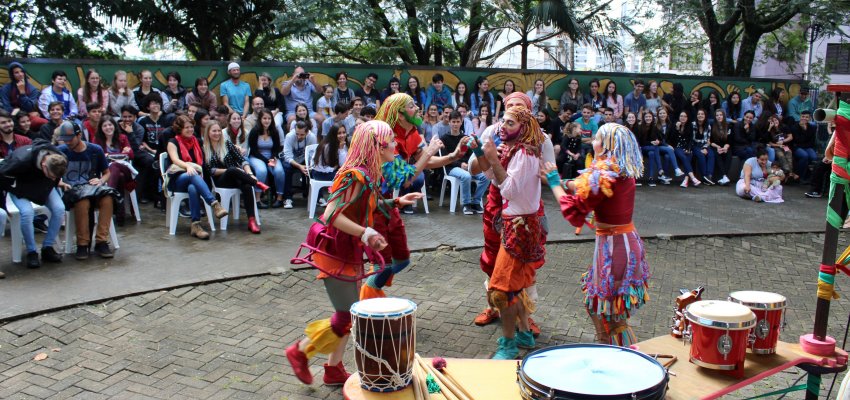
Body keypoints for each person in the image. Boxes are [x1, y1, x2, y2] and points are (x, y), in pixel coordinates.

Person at [284, 120, 423, 386]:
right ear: (377, 146)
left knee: (350, 313)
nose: (395, 144)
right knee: (347, 315)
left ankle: (333, 369)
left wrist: (395, 201)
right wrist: (365, 233)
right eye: (391, 140)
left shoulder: (367, 173)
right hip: (334, 250)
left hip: (348, 249)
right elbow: (331, 213)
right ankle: (299, 351)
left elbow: (365, 204)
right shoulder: (355, 175)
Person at [540, 123, 650, 346]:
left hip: (616, 247)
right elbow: (584, 186)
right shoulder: (616, 170)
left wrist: (553, 182)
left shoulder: (605, 175)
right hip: (617, 243)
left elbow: (573, 210)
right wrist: (564, 182)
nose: (593, 141)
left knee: (613, 316)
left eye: (598, 138)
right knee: (595, 304)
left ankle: (623, 359)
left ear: (608, 145)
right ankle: (606, 347)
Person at [357, 93, 462, 300]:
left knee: (402, 260)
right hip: (370, 206)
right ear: (400, 114)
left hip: (388, 203)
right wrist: (429, 152)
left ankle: (372, 293)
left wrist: (452, 157)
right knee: (383, 263)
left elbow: (421, 162)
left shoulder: (412, 131)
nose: (417, 109)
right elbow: (403, 179)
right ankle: (366, 302)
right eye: (412, 105)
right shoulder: (383, 136)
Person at [469, 91, 553, 340]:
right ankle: (496, 306)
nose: (512, 112)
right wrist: (481, 153)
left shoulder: (538, 140)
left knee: (524, 265)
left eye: (519, 107)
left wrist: (530, 169)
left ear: (526, 117)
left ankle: (524, 316)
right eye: (509, 108)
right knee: (492, 255)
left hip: (524, 209)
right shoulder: (493, 133)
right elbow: (479, 171)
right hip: (499, 203)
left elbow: (546, 174)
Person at [0, 127, 67, 268]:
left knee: (59, 208)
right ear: (43, 165)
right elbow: (2, 176)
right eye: (51, 175)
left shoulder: (60, 157)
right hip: (20, 188)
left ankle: (47, 247)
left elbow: (56, 175)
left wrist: (56, 180)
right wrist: (3, 204)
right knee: (27, 213)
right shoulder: (20, 160)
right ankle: (32, 251)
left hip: (43, 186)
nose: (54, 178)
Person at [55, 122, 119, 259]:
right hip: (72, 191)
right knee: (82, 201)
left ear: (79, 135)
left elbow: (107, 172)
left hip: (92, 188)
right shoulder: (60, 151)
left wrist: (101, 181)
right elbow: (53, 176)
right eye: (65, 139)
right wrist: (61, 183)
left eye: (70, 139)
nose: (67, 143)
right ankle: (82, 243)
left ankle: (101, 241)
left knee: (108, 198)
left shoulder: (95, 150)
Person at [165, 115, 228, 239]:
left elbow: (205, 160)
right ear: (180, 129)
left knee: (193, 188)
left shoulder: (197, 141)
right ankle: (214, 203)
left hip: (194, 180)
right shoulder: (173, 142)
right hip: (177, 179)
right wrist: (188, 167)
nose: (190, 129)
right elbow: (175, 159)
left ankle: (196, 225)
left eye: (191, 127)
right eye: (186, 127)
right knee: (193, 175)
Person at [203, 121, 265, 234]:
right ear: (208, 133)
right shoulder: (204, 148)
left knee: (246, 185)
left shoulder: (226, 143)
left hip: (237, 177)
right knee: (232, 169)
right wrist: (232, 170)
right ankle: (257, 183)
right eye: (214, 131)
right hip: (220, 181)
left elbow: (241, 160)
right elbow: (211, 171)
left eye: (218, 131)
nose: (217, 133)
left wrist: (250, 173)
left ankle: (251, 221)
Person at [441, 111, 489, 215]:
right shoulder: (444, 138)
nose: (455, 124)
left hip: (466, 166)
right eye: (453, 121)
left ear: (461, 122)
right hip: (451, 168)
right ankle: (466, 204)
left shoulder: (466, 138)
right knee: (466, 176)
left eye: (457, 121)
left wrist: (468, 165)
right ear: (449, 122)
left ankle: (476, 202)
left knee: (486, 175)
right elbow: (445, 159)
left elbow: (471, 156)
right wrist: (460, 165)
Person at [91, 118, 136, 225]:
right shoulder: (97, 140)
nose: (108, 128)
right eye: (105, 126)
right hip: (109, 172)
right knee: (118, 175)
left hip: (126, 170)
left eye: (110, 125)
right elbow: (94, 158)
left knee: (115, 165)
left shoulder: (122, 138)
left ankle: (109, 193)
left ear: (115, 126)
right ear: (101, 129)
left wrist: (127, 152)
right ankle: (120, 215)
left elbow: (132, 155)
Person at [247, 109, 287, 208]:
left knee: (279, 171)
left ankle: (279, 198)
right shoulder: (254, 131)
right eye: (264, 118)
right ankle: (257, 200)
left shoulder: (274, 131)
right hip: (256, 156)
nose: (267, 121)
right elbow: (253, 150)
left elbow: (277, 148)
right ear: (260, 119)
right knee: (262, 171)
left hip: (271, 156)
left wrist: (272, 158)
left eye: (269, 118)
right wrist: (266, 161)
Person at [282, 121, 319, 209]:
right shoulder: (289, 136)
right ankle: (287, 198)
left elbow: (313, 155)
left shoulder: (312, 137)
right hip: (292, 161)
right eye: (297, 134)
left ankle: (318, 197)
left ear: (307, 132)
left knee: (314, 169)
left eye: (302, 135)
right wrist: (299, 166)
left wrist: (309, 166)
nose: (299, 136)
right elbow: (287, 156)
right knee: (287, 168)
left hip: (305, 161)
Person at [1, 62, 48, 130]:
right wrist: (17, 113)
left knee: (42, 122)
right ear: (12, 75)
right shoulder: (6, 88)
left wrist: (22, 93)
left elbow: (29, 107)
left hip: (27, 116)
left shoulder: (32, 89)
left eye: (22, 71)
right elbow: (6, 107)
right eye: (16, 72)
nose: (20, 74)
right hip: (10, 117)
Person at [311, 123, 349, 205]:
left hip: (331, 170)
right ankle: (337, 203)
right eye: (339, 133)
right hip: (320, 173)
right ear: (333, 134)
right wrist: (341, 150)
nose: (342, 135)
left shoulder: (343, 143)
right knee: (346, 179)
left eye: (343, 132)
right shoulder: (327, 146)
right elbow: (343, 164)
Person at [671, 111, 702, 187]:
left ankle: (686, 180)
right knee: (684, 157)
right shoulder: (675, 125)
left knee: (689, 155)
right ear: (679, 117)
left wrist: (688, 149)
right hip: (676, 147)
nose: (683, 118)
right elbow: (672, 139)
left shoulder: (690, 126)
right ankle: (693, 177)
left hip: (686, 147)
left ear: (687, 118)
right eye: (681, 116)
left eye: (685, 116)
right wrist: (677, 129)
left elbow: (691, 139)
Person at [791, 110, 818, 182]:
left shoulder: (812, 128)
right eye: (803, 116)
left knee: (814, 157)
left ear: (809, 119)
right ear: (800, 117)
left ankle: (809, 175)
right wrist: (804, 130)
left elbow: (812, 141)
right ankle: (800, 176)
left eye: (807, 117)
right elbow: (798, 140)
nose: (804, 118)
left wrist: (805, 130)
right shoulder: (795, 127)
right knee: (804, 156)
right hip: (797, 147)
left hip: (807, 147)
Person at [710, 109, 733, 185]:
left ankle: (723, 177)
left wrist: (726, 147)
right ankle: (724, 176)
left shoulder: (728, 125)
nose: (719, 117)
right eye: (717, 115)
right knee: (717, 154)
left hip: (725, 146)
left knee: (728, 154)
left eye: (720, 115)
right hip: (715, 146)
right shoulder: (712, 125)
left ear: (723, 116)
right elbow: (710, 141)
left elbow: (730, 140)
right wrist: (717, 147)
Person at [692, 109, 715, 185]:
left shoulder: (708, 126)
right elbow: (693, 139)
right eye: (699, 114)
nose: (700, 115)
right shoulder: (693, 125)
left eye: (702, 114)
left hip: (705, 145)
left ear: (705, 116)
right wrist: (701, 148)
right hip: (695, 145)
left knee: (711, 154)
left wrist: (704, 147)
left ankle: (709, 176)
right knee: (701, 155)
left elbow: (708, 140)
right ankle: (704, 176)